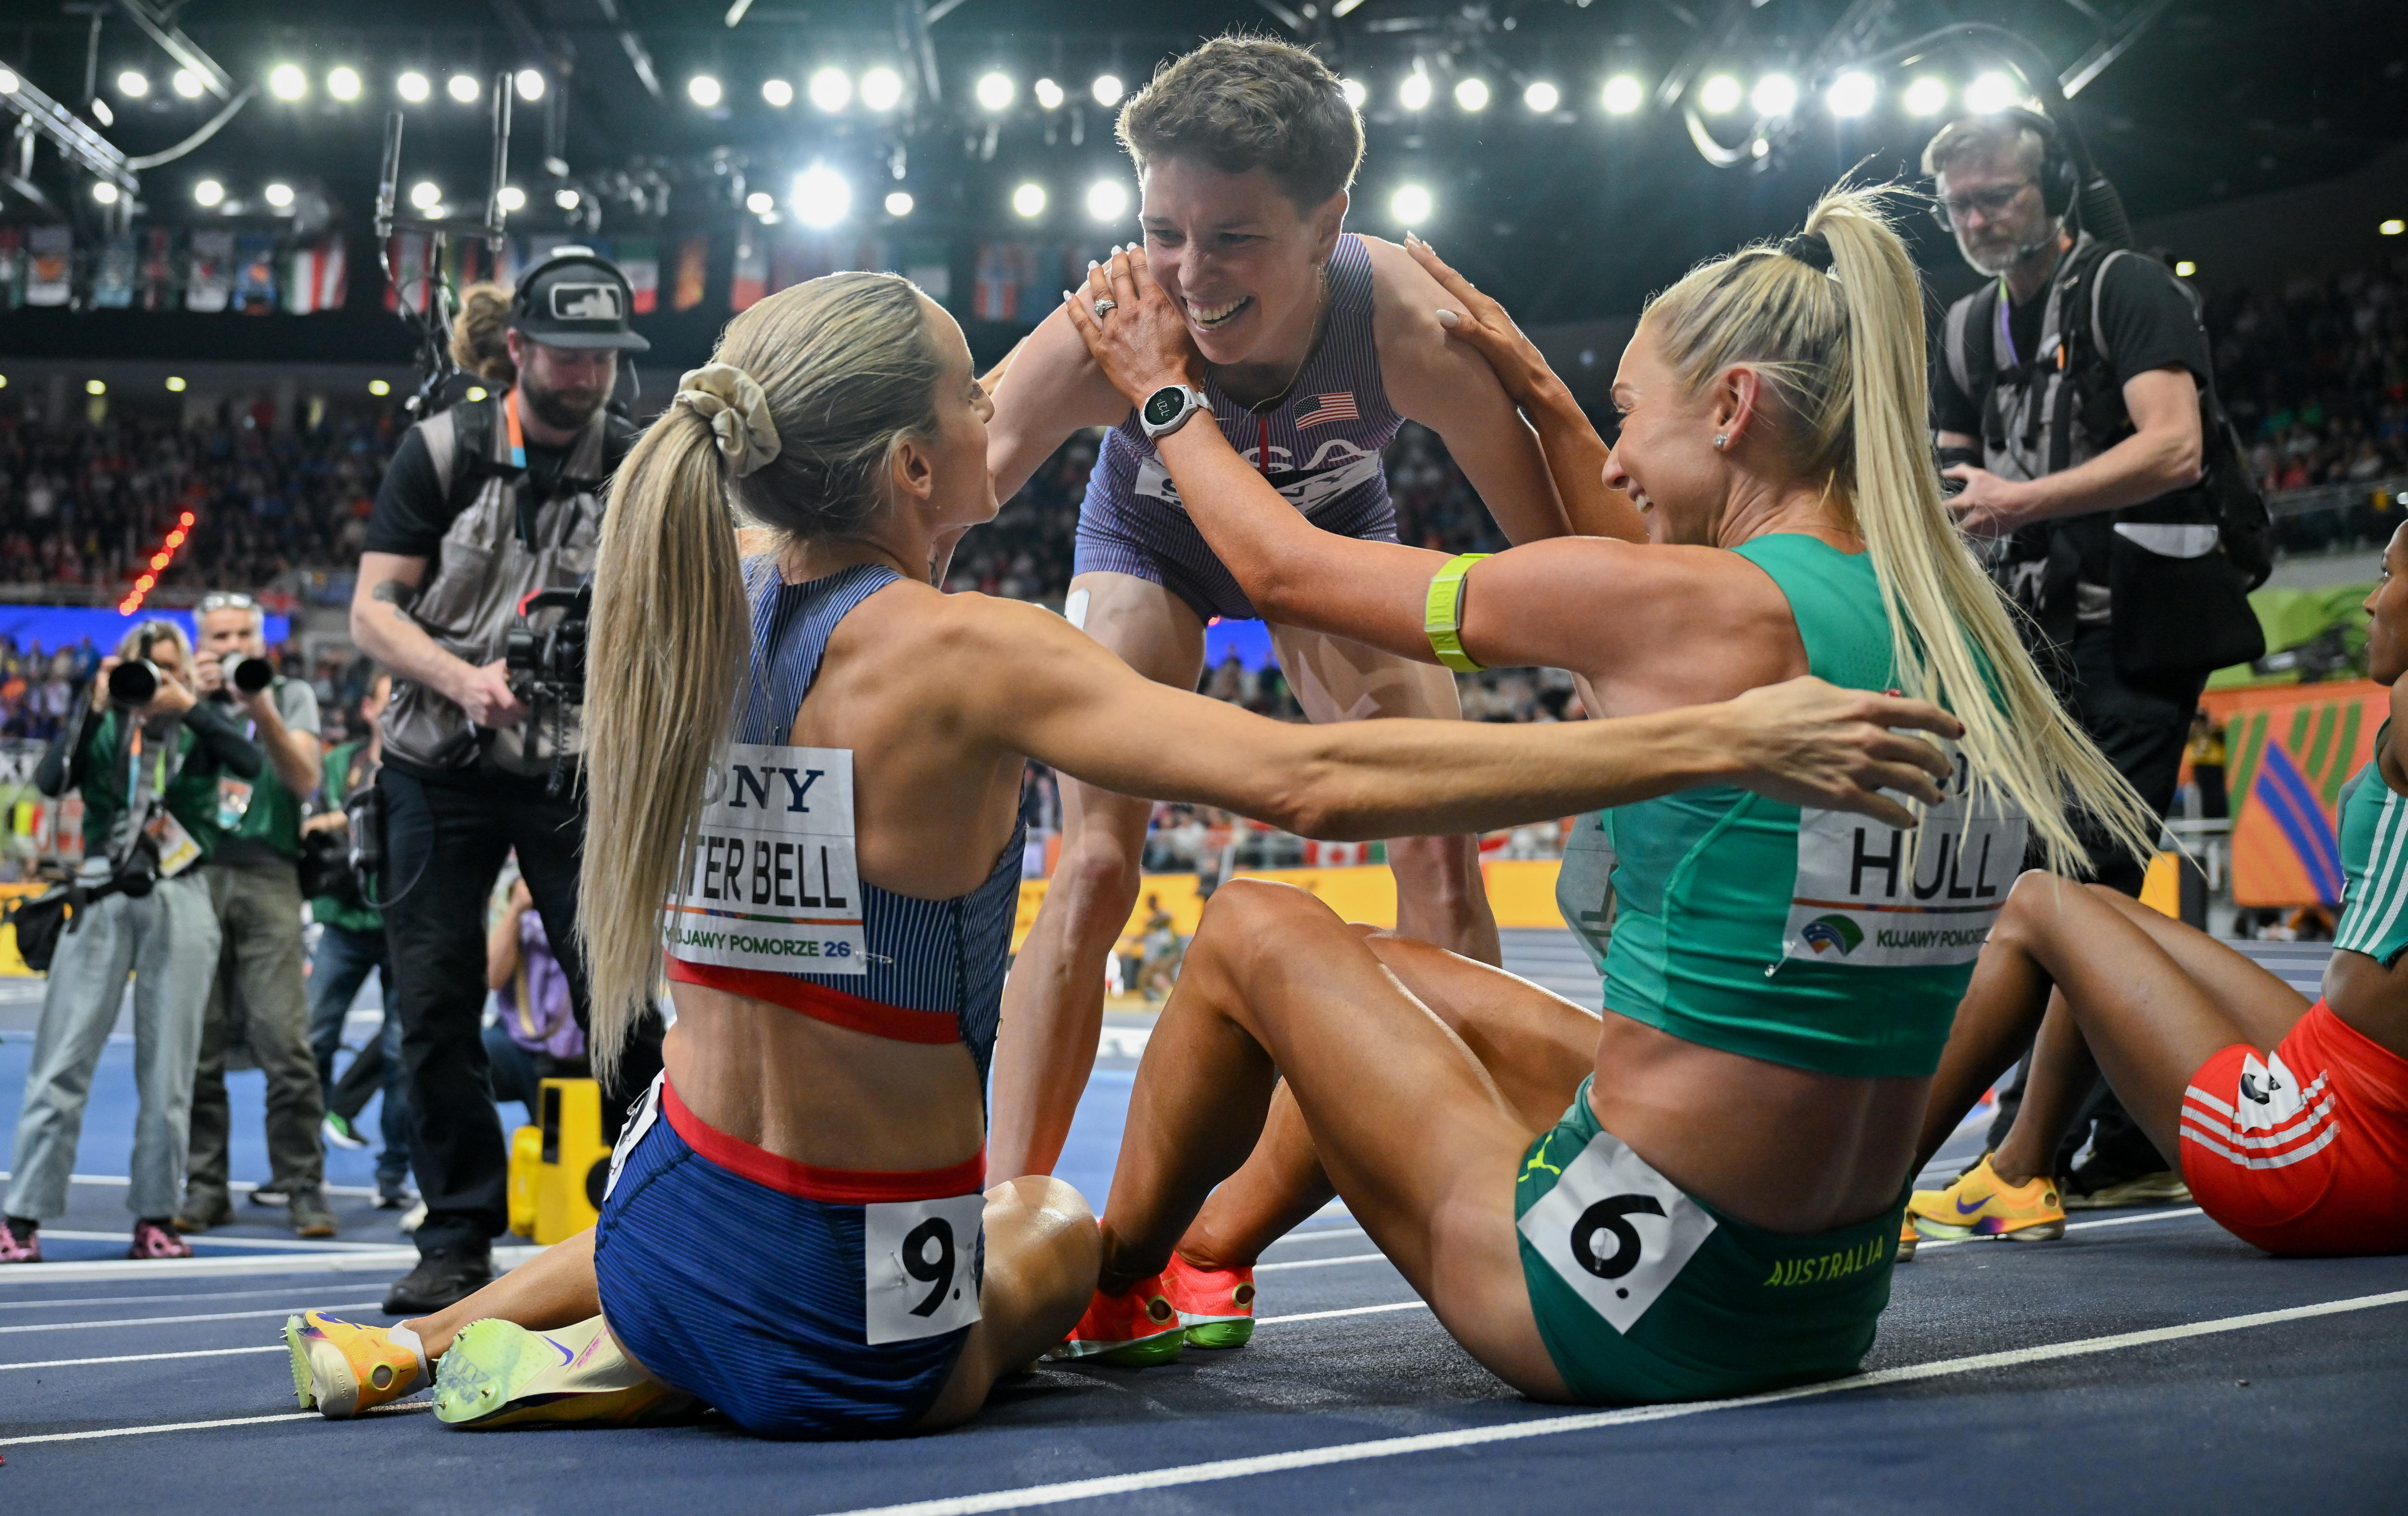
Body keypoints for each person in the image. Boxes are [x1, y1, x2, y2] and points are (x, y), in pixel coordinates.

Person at [278, 269, 1961, 1435]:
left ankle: (430, 1331)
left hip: (672, 1218)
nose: (1008, 421)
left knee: (701, 1151)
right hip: (857, 1324)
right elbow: (1309, 779)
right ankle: (649, 1357)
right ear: (927, 462)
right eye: (976, 399)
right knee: (1056, 1227)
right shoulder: (966, 648)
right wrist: (1715, 734)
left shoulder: (682, 588)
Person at [1042, 188, 2149, 1399]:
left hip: (1619, 1301)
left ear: (1731, 408)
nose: (1612, 459)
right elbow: (1649, 560)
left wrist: (1164, 393)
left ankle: (1114, 1284)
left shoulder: (1691, 610)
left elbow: (1281, 569)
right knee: (1385, 979)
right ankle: (1208, 1254)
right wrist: (1550, 399)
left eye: (1628, 416)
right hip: (1826, 1298)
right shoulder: (1955, 622)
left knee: (1257, 928)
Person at [978, 35, 1644, 1185]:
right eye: (1162, 231)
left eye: (1234, 236)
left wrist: (1609, 671)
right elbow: (949, 482)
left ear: (1329, 226)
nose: (1188, 275)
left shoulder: (1402, 321)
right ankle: (1006, 1206)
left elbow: (1546, 533)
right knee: (1090, 867)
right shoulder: (1113, 322)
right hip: (1150, 544)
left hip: (1332, 549)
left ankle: (1499, 1185)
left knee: (1439, 844)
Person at [1906, 522, 2408, 1257]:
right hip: (2362, 1090)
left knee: (2039, 903)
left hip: (2322, 1157)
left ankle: (1855, 1202)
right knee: (2107, 920)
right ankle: (2015, 1170)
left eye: (2390, 576)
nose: (2370, 602)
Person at [1924, 110, 2259, 1204]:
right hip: (2038, 646)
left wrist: (2021, 498)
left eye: (1998, 196)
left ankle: (2030, 1159)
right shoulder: (1969, 326)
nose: (1976, 220)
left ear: (2054, 188)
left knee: (2077, 887)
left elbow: (2173, 445)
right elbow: (1955, 477)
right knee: (2059, 891)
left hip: (2141, 630)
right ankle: (2128, 1133)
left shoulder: (2125, 286)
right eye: (1960, 204)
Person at [349, 247, 665, 1313]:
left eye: (604, 359)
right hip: (435, 758)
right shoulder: (441, 451)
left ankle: (653, 1201)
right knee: (433, 999)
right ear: (519, 349)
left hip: (569, 763)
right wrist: (463, 678)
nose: (586, 377)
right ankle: (456, 1229)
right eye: (568, 355)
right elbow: (371, 611)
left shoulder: (639, 461)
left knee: (616, 990)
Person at [2, 622, 262, 1262]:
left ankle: (154, 1218)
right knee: (60, 1060)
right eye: (148, 668)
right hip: (100, 888)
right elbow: (53, 781)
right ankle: (21, 1219)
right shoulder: (107, 722)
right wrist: (93, 709)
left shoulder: (201, 725)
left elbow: (252, 763)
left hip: (182, 891)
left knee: (169, 1070)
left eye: (171, 669)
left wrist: (193, 707)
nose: (156, 681)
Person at [176, 594, 335, 1239]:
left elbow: (304, 781)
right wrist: (189, 701)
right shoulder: (179, 695)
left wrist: (256, 703)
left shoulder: (290, 692)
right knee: (198, 1044)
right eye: (221, 635)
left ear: (263, 640)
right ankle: (205, 1184)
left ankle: (302, 1186)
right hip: (193, 872)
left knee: (285, 1041)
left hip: (271, 870)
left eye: (245, 633)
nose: (234, 643)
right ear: (200, 644)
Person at [302, 670, 414, 1211]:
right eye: (385, 697)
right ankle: (305, 1170)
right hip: (343, 918)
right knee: (315, 1037)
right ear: (369, 708)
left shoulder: (424, 764)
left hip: (403, 922)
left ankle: (392, 1173)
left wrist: (343, 817)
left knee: (401, 1052)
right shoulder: (336, 762)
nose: (394, 705)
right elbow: (310, 825)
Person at [481, 871, 585, 1118]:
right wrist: (516, 909)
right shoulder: (511, 890)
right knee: (458, 1059)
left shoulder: (593, 889)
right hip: (519, 1042)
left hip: (583, 1044)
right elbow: (493, 978)